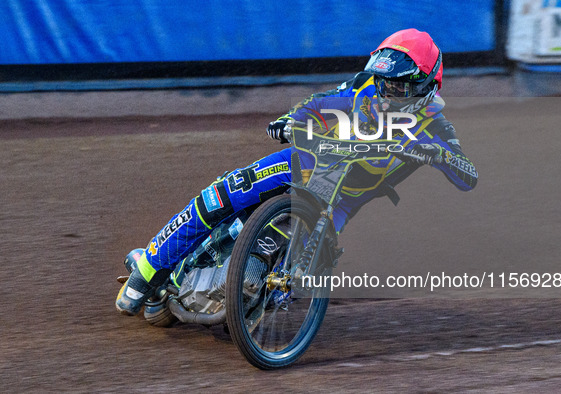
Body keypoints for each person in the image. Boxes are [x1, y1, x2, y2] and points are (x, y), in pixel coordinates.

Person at [116, 28, 478, 316]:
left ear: (427, 86)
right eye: (384, 83)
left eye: (398, 86)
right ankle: (147, 268)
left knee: (281, 257)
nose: (386, 93)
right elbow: (318, 105)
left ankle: (245, 299)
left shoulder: (437, 126)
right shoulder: (361, 86)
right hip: (308, 160)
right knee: (225, 193)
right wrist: (291, 120)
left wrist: (436, 154)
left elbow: (468, 176)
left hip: (341, 200)